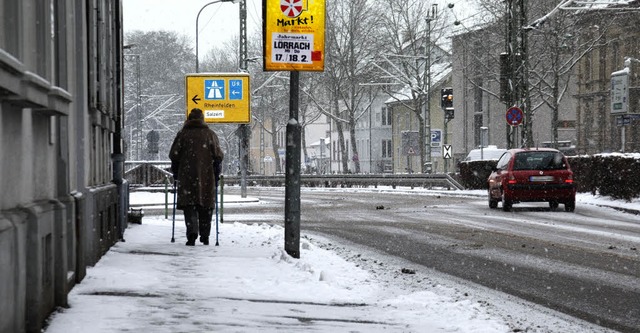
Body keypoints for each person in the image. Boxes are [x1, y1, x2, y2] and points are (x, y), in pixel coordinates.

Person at [169, 108, 224, 246]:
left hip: (186, 176)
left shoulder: (183, 134)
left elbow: (174, 154)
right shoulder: (210, 134)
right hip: (206, 176)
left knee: (190, 205)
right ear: (202, 118)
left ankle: (192, 234)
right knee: (206, 205)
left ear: (189, 119)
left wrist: (176, 171)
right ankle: (205, 235)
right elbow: (218, 155)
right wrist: (215, 172)